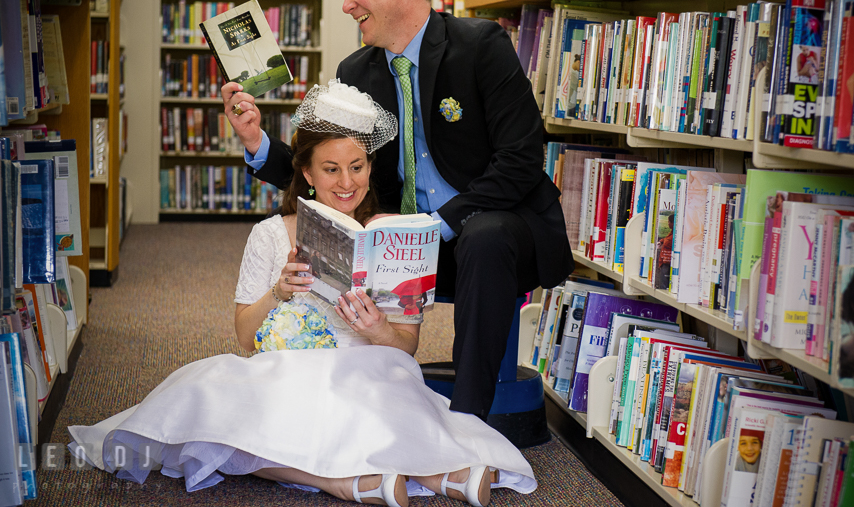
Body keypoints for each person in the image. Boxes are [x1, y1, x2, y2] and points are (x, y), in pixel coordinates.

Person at [68, 82, 537, 507]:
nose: (346, 182)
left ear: (371, 168)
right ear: (307, 174)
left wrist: (376, 328)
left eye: (357, 167)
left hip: (369, 368)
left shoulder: (395, 238)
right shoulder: (271, 234)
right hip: (288, 369)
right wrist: (278, 292)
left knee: (374, 402)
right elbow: (245, 339)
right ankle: (346, 481)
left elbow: (407, 348)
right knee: (216, 409)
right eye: (330, 169)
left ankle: (433, 474)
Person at [223, 0, 574, 420]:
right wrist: (257, 141)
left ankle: (468, 421)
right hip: (395, 249)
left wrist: (439, 225)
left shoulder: (479, 46)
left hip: (496, 235)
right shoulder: (356, 71)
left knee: (485, 236)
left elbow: (520, 159)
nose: (347, 5)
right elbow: (327, 166)